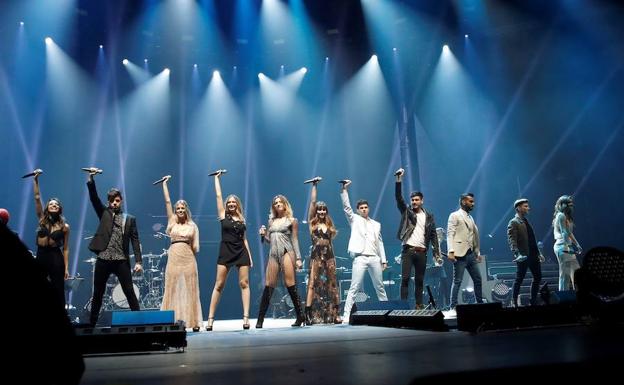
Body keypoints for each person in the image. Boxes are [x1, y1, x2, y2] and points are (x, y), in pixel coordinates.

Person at [86, 168, 142, 326]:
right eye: (112, 201)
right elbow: (94, 199)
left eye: (117, 200)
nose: (114, 203)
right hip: (103, 258)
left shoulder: (129, 219)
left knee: (129, 291)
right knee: (98, 293)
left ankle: (139, 323)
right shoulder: (104, 213)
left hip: (121, 260)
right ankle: (92, 324)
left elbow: (135, 241)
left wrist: (138, 261)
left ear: (121, 201)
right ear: (108, 202)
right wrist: (91, 179)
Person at [206, 171, 253, 331]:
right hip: (226, 250)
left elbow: (245, 239)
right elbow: (219, 196)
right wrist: (216, 179)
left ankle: (246, 318)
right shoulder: (223, 215)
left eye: (234, 202)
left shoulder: (242, 219)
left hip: (241, 251)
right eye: (229, 202)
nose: (231, 204)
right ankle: (210, 319)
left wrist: (250, 257)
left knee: (244, 283)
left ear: (237, 204)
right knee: (219, 284)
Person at [159, 176, 202, 332]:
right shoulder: (172, 222)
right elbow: (168, 202)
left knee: (190, 288)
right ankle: (169, 320)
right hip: (174, 257)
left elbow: (195, 248)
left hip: (188, 258)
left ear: (186, 210)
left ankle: (194, 322)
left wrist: (190, 256)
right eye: (178, 209)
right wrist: (165, 185)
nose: (180, 211)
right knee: (171, 287)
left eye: (182, 208)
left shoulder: (193, 226)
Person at [340, 180, 388, 322]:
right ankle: (347, 315)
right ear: (358, 210)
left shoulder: (376, 224)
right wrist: (344, 190)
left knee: (380, 287)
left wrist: (383, 260)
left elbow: (380, 242)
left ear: (369, 208)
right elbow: (346, 208)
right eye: (361, 208)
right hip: (360, 257)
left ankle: (386, 312)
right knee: (354, 287)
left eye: (366, 207)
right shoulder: (354, 219)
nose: (364, 209)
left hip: (374, 258)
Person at [394, 168, 442, 309]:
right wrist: (398, 180)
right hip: (408, 251)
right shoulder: (407, 212)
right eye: (412, 200)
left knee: (420, 280)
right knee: (405, 279)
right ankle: (402, 306)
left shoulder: (429, 216)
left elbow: (433, 236)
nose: (414, 202)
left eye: (416, 200)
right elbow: (398, 198)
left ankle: (419, 305)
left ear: (422, 201)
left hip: (422, 252)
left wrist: (437, 254)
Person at [256, 195, 305, 328]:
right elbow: (270, 240)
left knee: (289, 284)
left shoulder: (292, 220)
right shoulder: (271, 221)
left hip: (287, 251)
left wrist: (299, 258)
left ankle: (300, 315)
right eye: (275, 203)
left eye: (280, 202)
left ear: (285, 204)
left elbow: (294, 239)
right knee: (269, 285)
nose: (278, 204)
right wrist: (263, 235)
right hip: (273, 253)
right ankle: (260, 319)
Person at [304, 177, 341, 324]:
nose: (321, 211)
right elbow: (312, 203)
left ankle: (336, 314)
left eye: (323, 209)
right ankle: (308, 315)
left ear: (326, 211)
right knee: (312, 284)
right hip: (316, 257)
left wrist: (334, 259)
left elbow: (330, 244)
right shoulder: (312, 224)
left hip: (330, 257)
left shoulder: (330, 225)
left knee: (332, 284)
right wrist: (314, 186)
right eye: (319, 209)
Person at [31, 169, 70, 308]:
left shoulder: (65, 226)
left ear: (59, 209)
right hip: (41, 255)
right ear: (47, 207)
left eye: (56, 204)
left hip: (55, 257)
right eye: (51, 204)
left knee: (58, 288)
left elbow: (65, 248)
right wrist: (36, 180)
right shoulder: (42, 219)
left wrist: (66, 268)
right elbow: (36, 197)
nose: (54, 205)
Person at [447, 193, 483, 309]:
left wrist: (477, 251)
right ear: (463, 202)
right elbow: (450, 233)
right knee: (457, 281)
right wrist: (450, 251)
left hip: (470, 254)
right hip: (459, 254)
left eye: (473, 201)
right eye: (470, 201)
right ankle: (453, 306)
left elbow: (474, 235)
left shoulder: (470, 217)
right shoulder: (455, 215)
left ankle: (480, 304)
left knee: (478, 279)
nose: (473, 204)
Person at [507, 198, 545, 306]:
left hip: (533, 255)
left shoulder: (526, 221)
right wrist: (517, 254)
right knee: (519, 279)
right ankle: (514, 301)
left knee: (538, 277)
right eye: (526, 206)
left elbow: (532, 239)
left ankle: (533, 300)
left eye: (528, 206)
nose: (528, 208)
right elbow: (511, 240)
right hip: (523, 255)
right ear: (518, 208)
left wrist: (539, 253)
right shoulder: (514, 222)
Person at [553, 195, 581, 291]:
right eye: (568, 203)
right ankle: (563, 295)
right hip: (561, 246)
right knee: (565, 272)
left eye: (571, 203)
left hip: (566, 245)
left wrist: (577, 244)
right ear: (562, 204)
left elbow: (569, 233)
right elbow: (564, 232)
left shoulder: (567, 217)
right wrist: (568, 246)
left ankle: (574, 293)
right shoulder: (560, 215)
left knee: (574, 271)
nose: (571, 205)